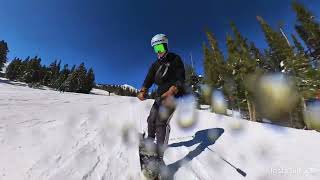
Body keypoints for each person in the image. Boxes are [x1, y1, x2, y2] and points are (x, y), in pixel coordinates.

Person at [137, 33, 186, 162]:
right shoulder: (155, 65)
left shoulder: (175, 59)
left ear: (166, 46)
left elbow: (181, 77)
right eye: (155, 49)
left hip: (172, 96)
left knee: (161, 122)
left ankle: (159, 154)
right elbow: (148, 79)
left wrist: (173, 89)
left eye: (161, 48)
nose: (158, 52)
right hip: (160, 96)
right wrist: (143, 90)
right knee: (151, 119)